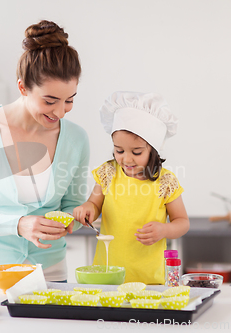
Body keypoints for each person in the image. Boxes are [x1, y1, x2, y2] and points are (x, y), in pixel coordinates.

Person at [0, 20, 89, 282]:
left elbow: (71, 206)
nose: (60, 112)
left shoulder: (76, 139)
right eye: (50, 101)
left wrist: (73, 218)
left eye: (69, 100)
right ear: (23, 88)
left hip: (51, 271)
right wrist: (19, 224)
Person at [73, 91, 189, 284]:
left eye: (136, 152)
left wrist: (165, 230)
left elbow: (182, 221)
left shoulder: (166, 182)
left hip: (149, 281)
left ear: (153, 149)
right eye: (119, 150)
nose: (126, 159)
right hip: (107, 276)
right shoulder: (108, 173)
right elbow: (94, 204)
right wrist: (87, 209)